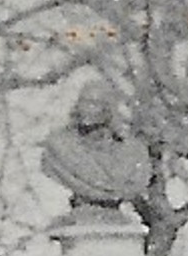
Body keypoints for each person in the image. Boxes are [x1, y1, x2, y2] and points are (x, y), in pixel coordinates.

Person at [40, 81, 151, 210]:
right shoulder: (60, 147)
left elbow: (136, 183)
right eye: (83, 102)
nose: (86, 109)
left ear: (109, 109)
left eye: (94, 103)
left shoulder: (134, 151)